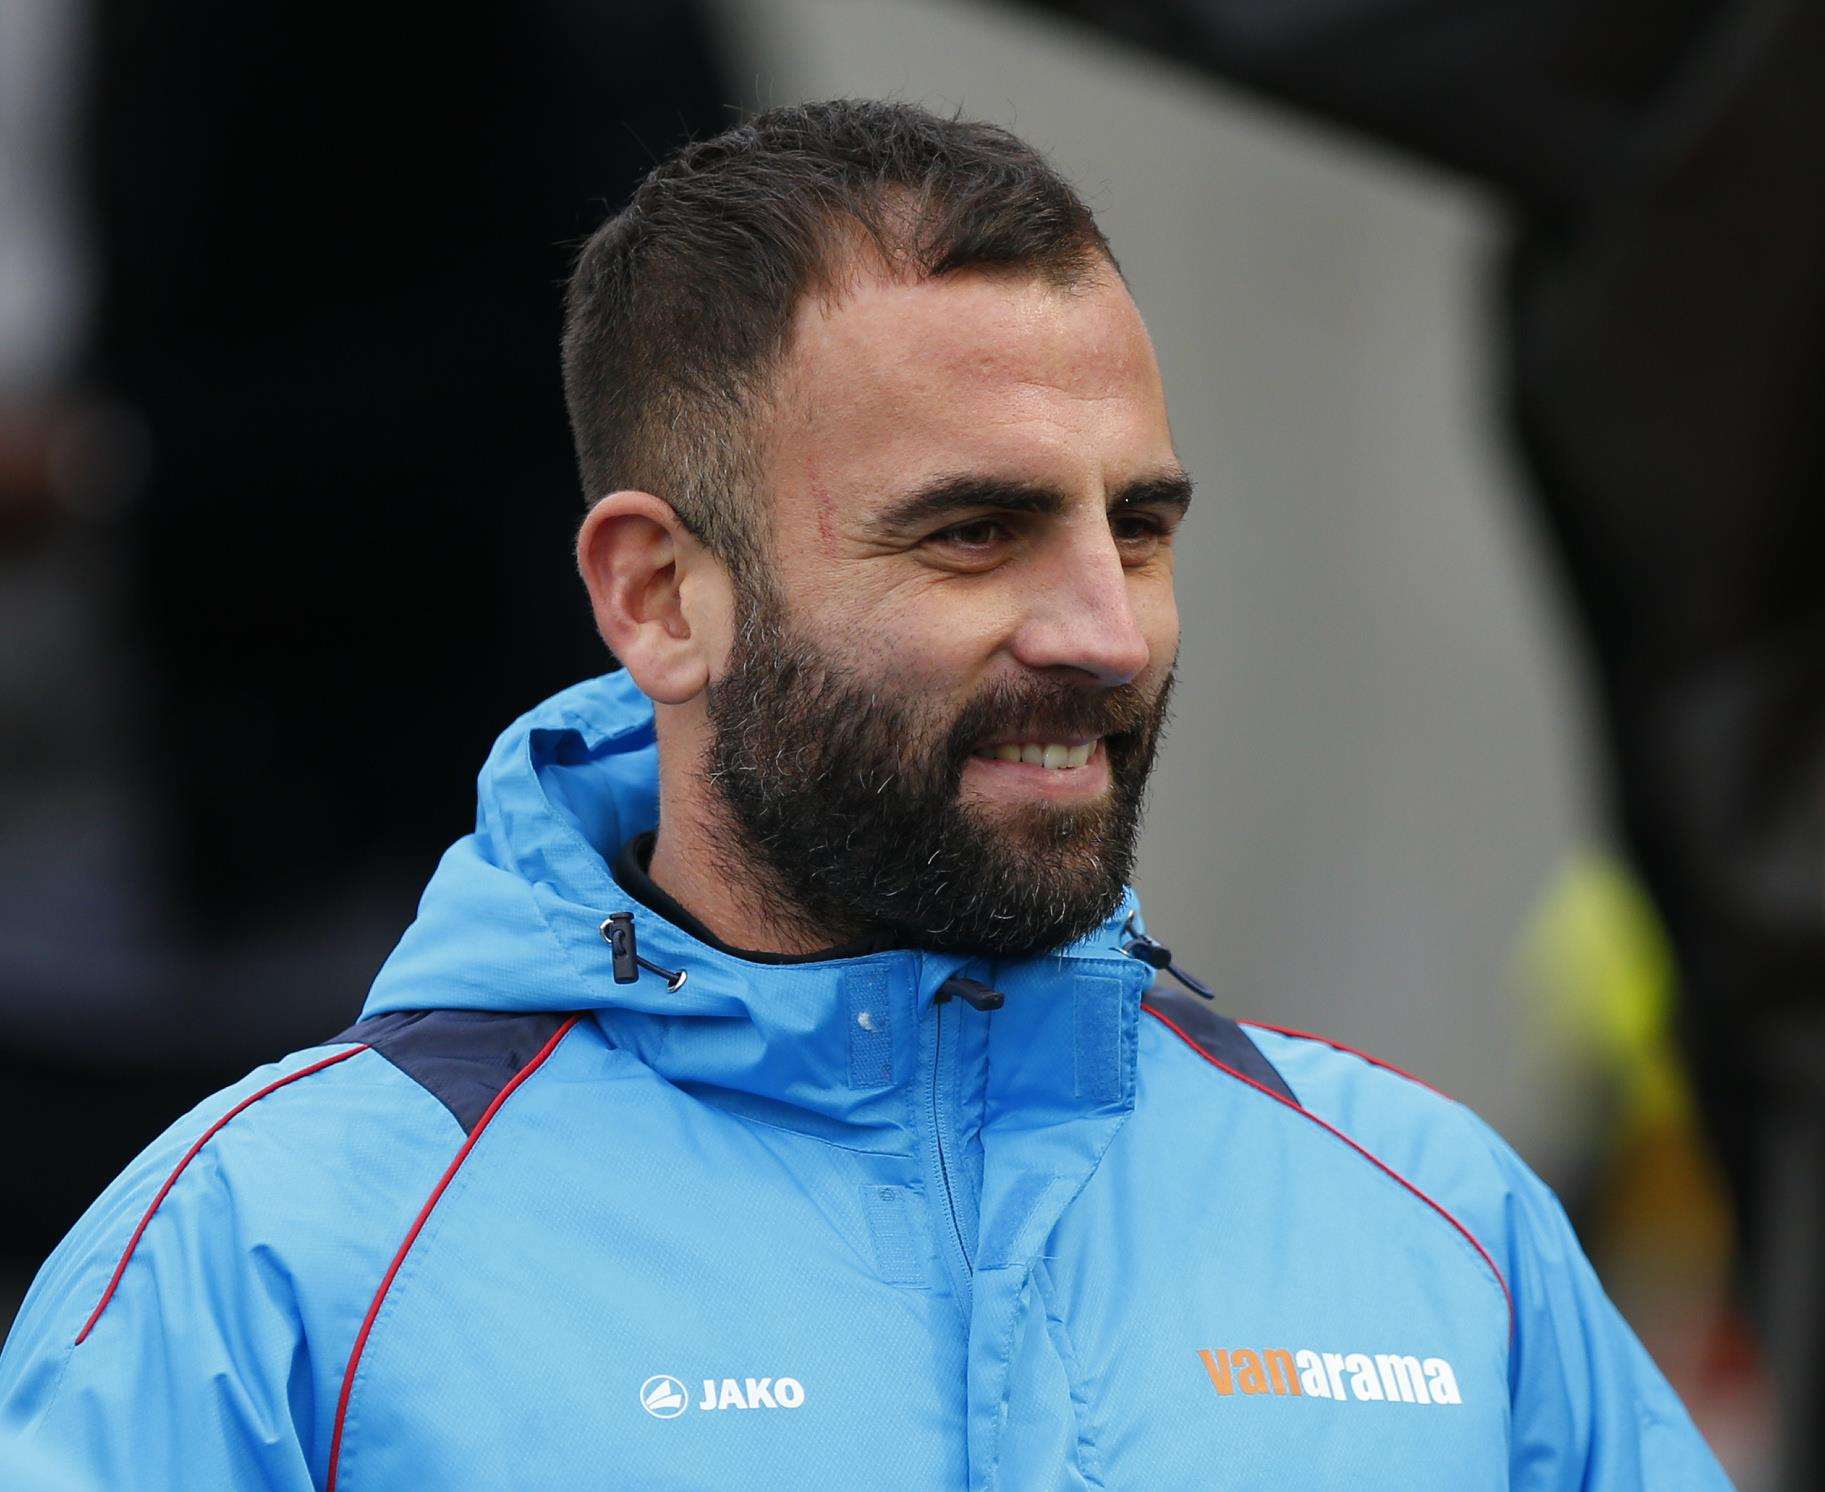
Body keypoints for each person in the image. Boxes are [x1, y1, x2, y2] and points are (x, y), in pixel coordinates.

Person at [0, 101, 1727, 1489]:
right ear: (660, 598)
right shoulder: (275, 1265)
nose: (1106, 635)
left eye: (1137, 527)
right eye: (974, 532)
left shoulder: (1439, 1222)